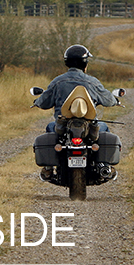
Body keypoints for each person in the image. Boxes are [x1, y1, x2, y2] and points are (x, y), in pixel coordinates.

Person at [33, 44, 121, 181]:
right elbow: (108, 100)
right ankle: (105, 165)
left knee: (50, 128)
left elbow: (44, 103)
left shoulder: (58, 81)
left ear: (67, 62)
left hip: (63, 125)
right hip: (89, 125)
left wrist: (37, 102)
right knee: (104, 129)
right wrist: (116, 100)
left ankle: (49, 168)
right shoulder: (92, 82)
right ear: (85, 62)